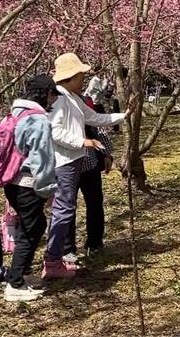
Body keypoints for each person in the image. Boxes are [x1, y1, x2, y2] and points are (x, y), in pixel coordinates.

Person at [44, 53, 127, 280]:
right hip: (65, 162)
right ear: (69, 77)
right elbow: (55, 131)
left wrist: (123, 116)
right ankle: (60, 254)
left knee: (74, 206)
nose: (84, 81)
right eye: (80, 76)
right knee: (65, 209)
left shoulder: (73, 98)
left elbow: (94, 118)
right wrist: (82, 141)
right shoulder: (59, 99)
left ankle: (68, 252)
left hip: (78, 160)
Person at [3, 74, 59, 302]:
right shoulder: (38, 121)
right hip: (28, 184)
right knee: (30, 230)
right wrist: (47, 191)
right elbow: (42, 159)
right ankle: (14, 283)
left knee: (35, 226)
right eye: (54, 94)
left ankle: (21, 275)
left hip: (12, 183)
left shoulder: (16, 114)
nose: (54, 100)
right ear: (46, 93)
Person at [61, 96, 114, 265]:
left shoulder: (83, 101)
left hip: (89, 165)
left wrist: (106, 154)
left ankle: (95, 242)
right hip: (67, 167)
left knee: (95, 203)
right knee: (68, 207)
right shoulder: (57, 107)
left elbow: (98, 129)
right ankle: (68, 249)